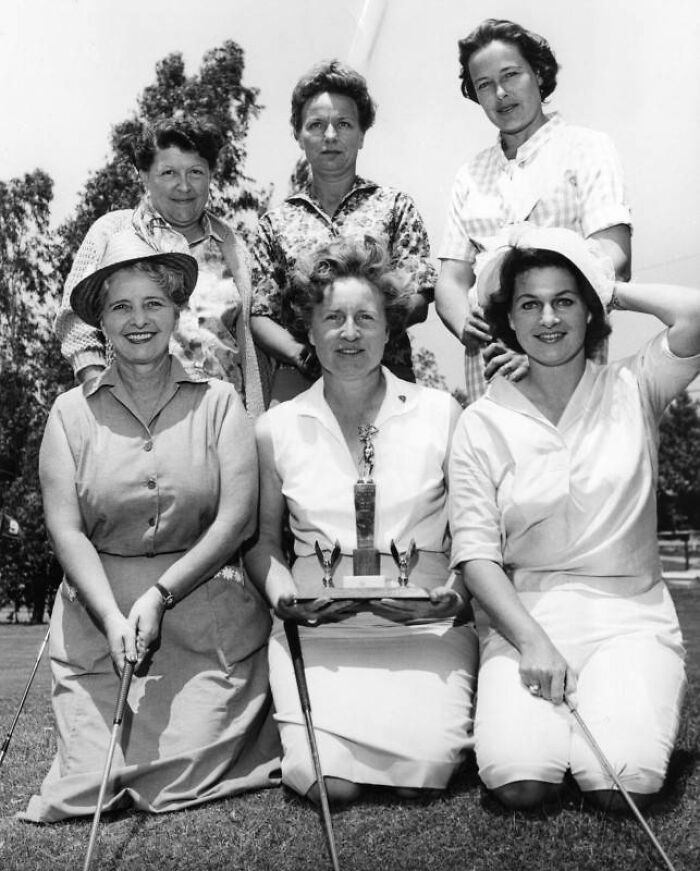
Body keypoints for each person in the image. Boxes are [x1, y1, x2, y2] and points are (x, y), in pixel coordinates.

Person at [22, 230, 279, 822]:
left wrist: (162, 596)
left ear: (175, 312)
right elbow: (67, 532)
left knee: (190, 763)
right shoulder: (68, 414)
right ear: (101, 323)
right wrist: (113, 615)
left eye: (153, 304)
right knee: (91, 786)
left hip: (204, 609)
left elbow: (237, 522)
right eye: (121, 307)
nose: (138, 321)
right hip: (99, 618)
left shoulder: (220, 402)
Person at [448, 226, 700, 811]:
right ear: (508, 319)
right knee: (520, 779)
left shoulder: (635, 385)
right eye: (529, 304)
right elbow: (477, 556)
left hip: (630, 615)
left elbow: (695, 314)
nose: (549, 318)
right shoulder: (481, 421)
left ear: (590, 310)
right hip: (527, 618)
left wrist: (609, 285)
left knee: (622, 781)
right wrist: (533, 642)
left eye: (566, 299)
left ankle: (622, 704)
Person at [245, 237, 477, 806]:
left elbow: (474, 530)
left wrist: (456, 593)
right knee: (325, 781)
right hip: (320, 629)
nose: (349, 333)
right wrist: (283, 601)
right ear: (309, 328)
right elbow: (261, 545)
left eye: (365, 318)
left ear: (389, 328)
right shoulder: (276, 426)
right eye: (333, 318)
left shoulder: (440, 413)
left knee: (429, 766)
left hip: (423, 627)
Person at [435, 18, 632, 404]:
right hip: (491, 372)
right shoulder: (470, 174)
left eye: (511, 75)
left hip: (566, 357)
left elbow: (615, 255)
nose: (501, 93)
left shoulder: (587, 148)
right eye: (485, 84)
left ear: (539, 74)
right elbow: (450, 281)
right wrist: (465, 323)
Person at [250, 59, 436, 403]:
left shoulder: (395, 207)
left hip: (387, 376)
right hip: (302, 384)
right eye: (317, 125)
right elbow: (261, 313)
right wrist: (301, 352)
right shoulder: (274, 224)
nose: (331, 136)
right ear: (298, 134)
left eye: (345, 124)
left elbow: (420, 295)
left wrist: (362, 336)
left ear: (362, 133)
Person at [55, 115, 265, 415]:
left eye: (195, 172)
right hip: (137, 423)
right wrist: (99, 390)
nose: (184, 186)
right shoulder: (113, 231)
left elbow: (251, 339)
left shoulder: (233, 246)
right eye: (168, 173)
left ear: (210, 174)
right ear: (143, 175)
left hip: (223, 422)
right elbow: (73, 320)